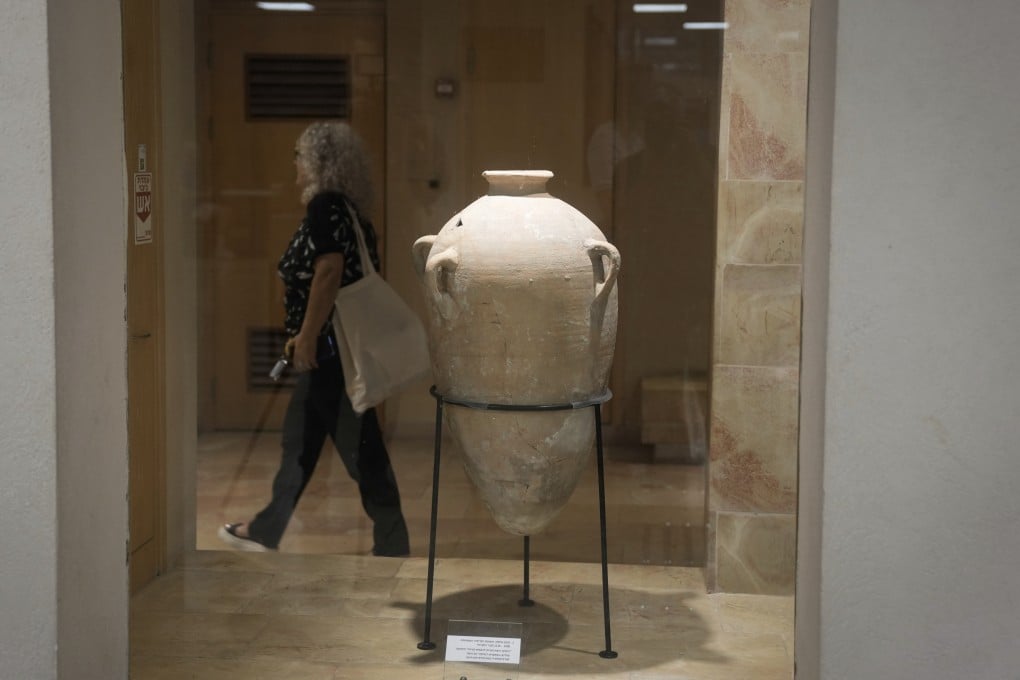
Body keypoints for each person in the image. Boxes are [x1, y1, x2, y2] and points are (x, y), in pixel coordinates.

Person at [218, 121, 411, 557]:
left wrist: (305, 338)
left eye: (300, 156)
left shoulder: (326, 206)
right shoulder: (351, 212)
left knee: (363, 452)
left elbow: (329, 272)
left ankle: (393, 542)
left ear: (320, 163)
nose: (295, 164)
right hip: (332, 352)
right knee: (299, 443)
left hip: (330, 353)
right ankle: (268, 528)